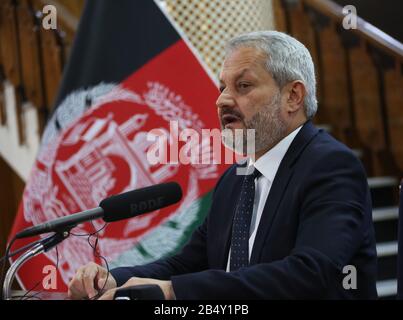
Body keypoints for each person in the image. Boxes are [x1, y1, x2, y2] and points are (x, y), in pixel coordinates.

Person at [67, 31, 377, 300]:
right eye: (222, 88)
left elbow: (310, 273)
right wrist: (115, 280)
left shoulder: (330, 165)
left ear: (293, 96)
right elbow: (188, 264)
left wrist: (173, 291)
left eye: (242, 86)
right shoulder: (236, 178)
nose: (222, 101)